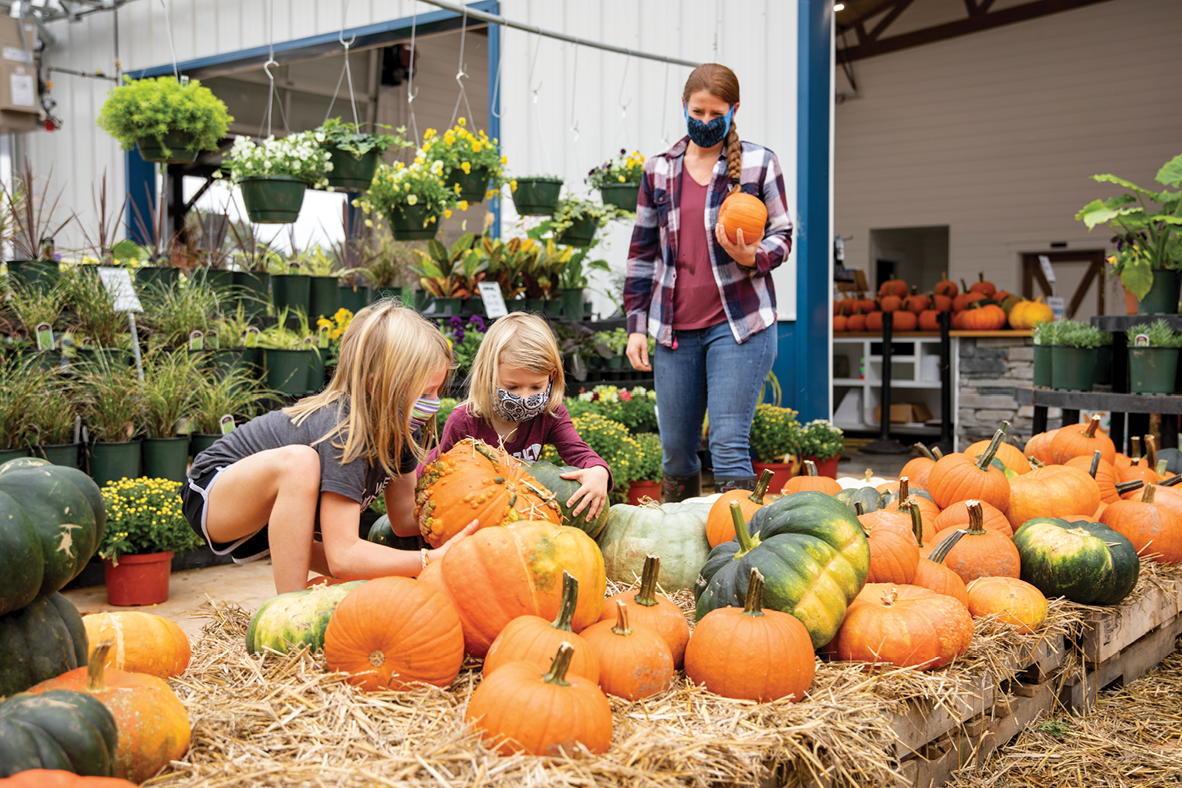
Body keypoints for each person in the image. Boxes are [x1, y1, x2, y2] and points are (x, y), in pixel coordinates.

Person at [181, 301, 478, 594]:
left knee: (388, 581)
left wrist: (475, 516)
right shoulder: (345, 432)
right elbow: (343, 556)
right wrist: (428, 559)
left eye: (437, 390)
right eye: (424, 392)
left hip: (270, 518)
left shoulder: (398, 429)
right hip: (212, 491)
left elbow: (403, 518)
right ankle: (289, 613)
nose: (434, 402)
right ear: (376, 386)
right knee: (301, 463)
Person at [623, 62, 793, 500]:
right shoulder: (659, 170)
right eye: (696, 112)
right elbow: (641, 254)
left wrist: (752, 256)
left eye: (714, 114)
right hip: (675, 331)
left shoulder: (759, 163)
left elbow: (783, 235)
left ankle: (736, 550)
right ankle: (678, 547)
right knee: (677, 451)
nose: (703, 122)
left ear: (734, 110)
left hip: (739, 327)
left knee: (728, 443)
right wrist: (635, 328)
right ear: (684, 105)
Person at [429, 313, 611, 523]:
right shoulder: (465, 420)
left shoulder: (550, 414)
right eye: (512, 387)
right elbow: (440, 478)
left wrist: (599, 473)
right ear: (489, 376)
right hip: (472, 512)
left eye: (536, 387)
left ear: (551, 377)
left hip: (513, 513)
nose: (525, 397)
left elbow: (579, 452)